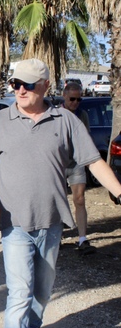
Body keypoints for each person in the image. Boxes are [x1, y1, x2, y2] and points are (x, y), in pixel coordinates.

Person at [0, 58, 121, 328]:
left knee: (41, 292)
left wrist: (120, 192)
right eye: (15, 84)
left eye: (27, 84)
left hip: (52, 222)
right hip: (14, 225)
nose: (20, 90)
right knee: (19, 292)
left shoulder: (64, 121)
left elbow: (94, 162)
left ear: (45, 86)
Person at [62, 82, 95, 255]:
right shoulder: (55, 114)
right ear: (64, 96)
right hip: (58, 163)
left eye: (78, 99)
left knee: (79, 199)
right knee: (58, 200)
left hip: (76, 163)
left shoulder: (82, 115)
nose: (75, 102)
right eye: (72, 99)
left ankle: (83, 238)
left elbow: (86, 139)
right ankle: (57, 236)